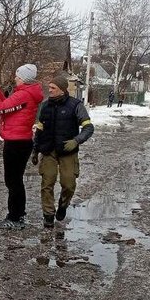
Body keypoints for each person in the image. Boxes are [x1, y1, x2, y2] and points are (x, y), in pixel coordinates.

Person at [32, 73, 94, 229]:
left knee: (68, 184)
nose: (50, 90)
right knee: (47, 183)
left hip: (68, 151)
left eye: (53, 88)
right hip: (48, 151)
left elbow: (88, 127)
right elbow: (39, 129)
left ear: (62, 89)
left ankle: (63, 205)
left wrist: (76, 141)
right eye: (49, 87)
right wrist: (35, 150)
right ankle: (48, 215)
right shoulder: (45, 105)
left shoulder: (75, 105)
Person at [0, 64, 45, 230]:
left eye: (17, 77)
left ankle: (14, 217)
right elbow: (7, 106)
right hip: (22, 140)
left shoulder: (23, 95)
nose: (15, 79)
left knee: (12, 181)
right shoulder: (29, 94)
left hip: (16, 142)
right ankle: (18, 214)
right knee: (16, 181)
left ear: (24, 79)